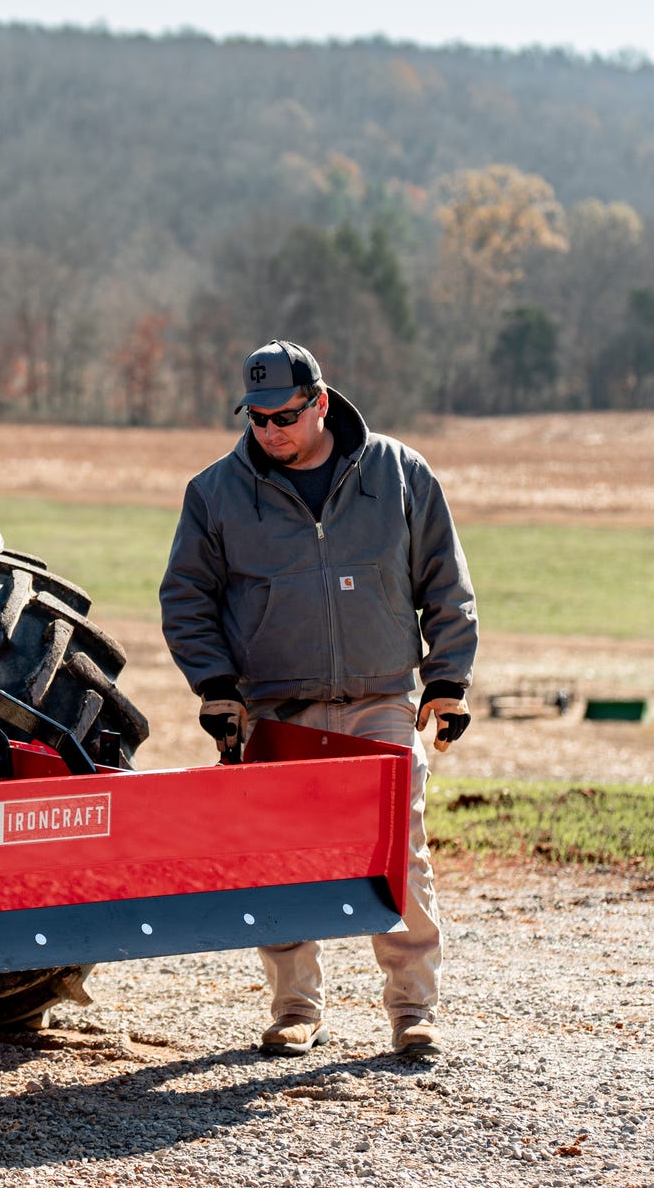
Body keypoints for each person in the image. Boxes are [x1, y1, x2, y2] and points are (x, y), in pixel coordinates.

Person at [158, 339, 477, 1057]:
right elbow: (186, 599)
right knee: (278, 858)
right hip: (277, 707)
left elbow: (445, 582)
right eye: (259, 418)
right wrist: (214, 687)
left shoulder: (398, 474)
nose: (271, 431)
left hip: (379, 698)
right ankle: (296, 1006)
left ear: (320, 402)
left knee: (400, 851)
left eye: (286, 416)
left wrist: (448, 679)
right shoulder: (215, 493)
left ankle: (412, 1011)